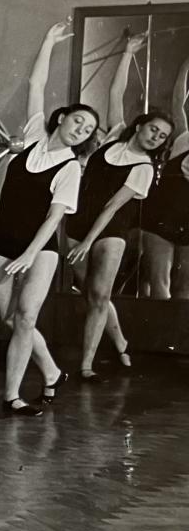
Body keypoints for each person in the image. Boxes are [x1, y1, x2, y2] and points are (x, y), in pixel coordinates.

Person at [0, 22, 96, 417]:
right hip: (1, 238)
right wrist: (48, 40)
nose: (80, 131)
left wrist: (31, 254)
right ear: (63, 117)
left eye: (87, 131)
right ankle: (51, 371)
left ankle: (11, 397)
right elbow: (36, 84)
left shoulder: (71, 168)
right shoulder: (33, 132)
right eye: (78, 122)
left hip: (40, 247)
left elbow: (53, 219)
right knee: (12, 321)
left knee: (27, 315)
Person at [65, 32, 172, 380]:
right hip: (79, 221)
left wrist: (87, 241)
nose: (156, 138)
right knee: (91, 293)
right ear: (140, 126)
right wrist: (126, 52)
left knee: (99, 295)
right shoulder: (113, 136)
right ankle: (121, 341)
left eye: (162, 137)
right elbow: (115, 93)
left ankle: (86, 365)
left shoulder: (143, 168)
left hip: (110, 230)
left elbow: (112, 206)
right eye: (154, 130)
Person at [139, 56, 189, 299]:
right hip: (162, 217)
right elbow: (177, 102)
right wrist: (186, 64)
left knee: (185, 289)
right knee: (160, 285)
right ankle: (160, 337)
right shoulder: (184, 138)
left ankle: (179, 338)